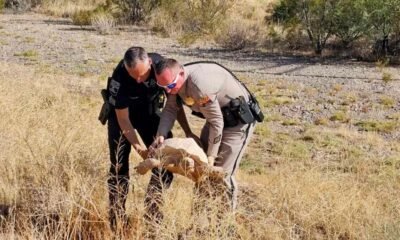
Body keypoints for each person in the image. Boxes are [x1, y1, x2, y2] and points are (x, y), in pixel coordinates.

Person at [101, 47, 197, 231]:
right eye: (133, 76)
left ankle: (152, 211)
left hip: (148, 112)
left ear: (150, 63)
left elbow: (173, 102)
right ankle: (117, 220)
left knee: (166, 161)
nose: (138, 80)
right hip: (121, 118)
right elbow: (124, 120)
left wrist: (188, 131)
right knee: (118, 168)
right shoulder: (120, 78)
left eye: (142, 75)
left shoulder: (162, 67)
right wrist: (141, 150)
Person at [151, 59, 263, 211]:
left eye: (170, 86)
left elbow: (217, 122)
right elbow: (170, 109)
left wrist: (211, 157)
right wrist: (161, 134)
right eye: (163, 87)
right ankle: (200, 223)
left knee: (221, 174)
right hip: (215, 120)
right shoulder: (172, 83)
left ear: (182, 74)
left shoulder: (199, 86)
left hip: (237, 123)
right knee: (201, 172)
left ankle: (225, 225)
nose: (168, 90)